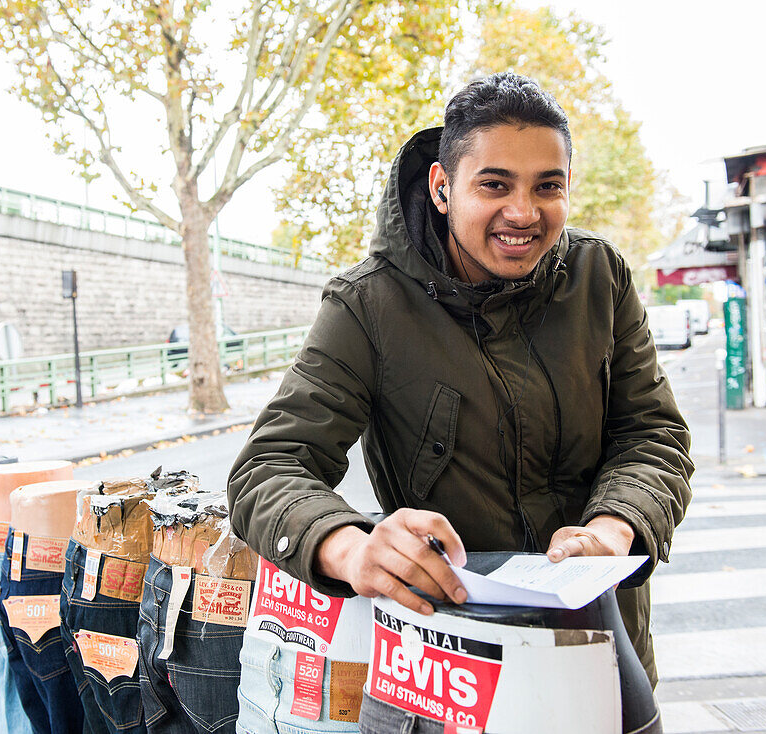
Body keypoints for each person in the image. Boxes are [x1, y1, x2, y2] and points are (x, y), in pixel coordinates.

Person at [226, 72, 693, 685]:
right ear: (443, 188)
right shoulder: (368, 306)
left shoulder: (599, 275)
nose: (523, 213)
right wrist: (352, 547)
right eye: (494, 185)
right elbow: (269, 468)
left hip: (605, 646)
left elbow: (653, 435)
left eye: (547, 186)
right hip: (449, 662)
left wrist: (612, 533)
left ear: (569, 186)